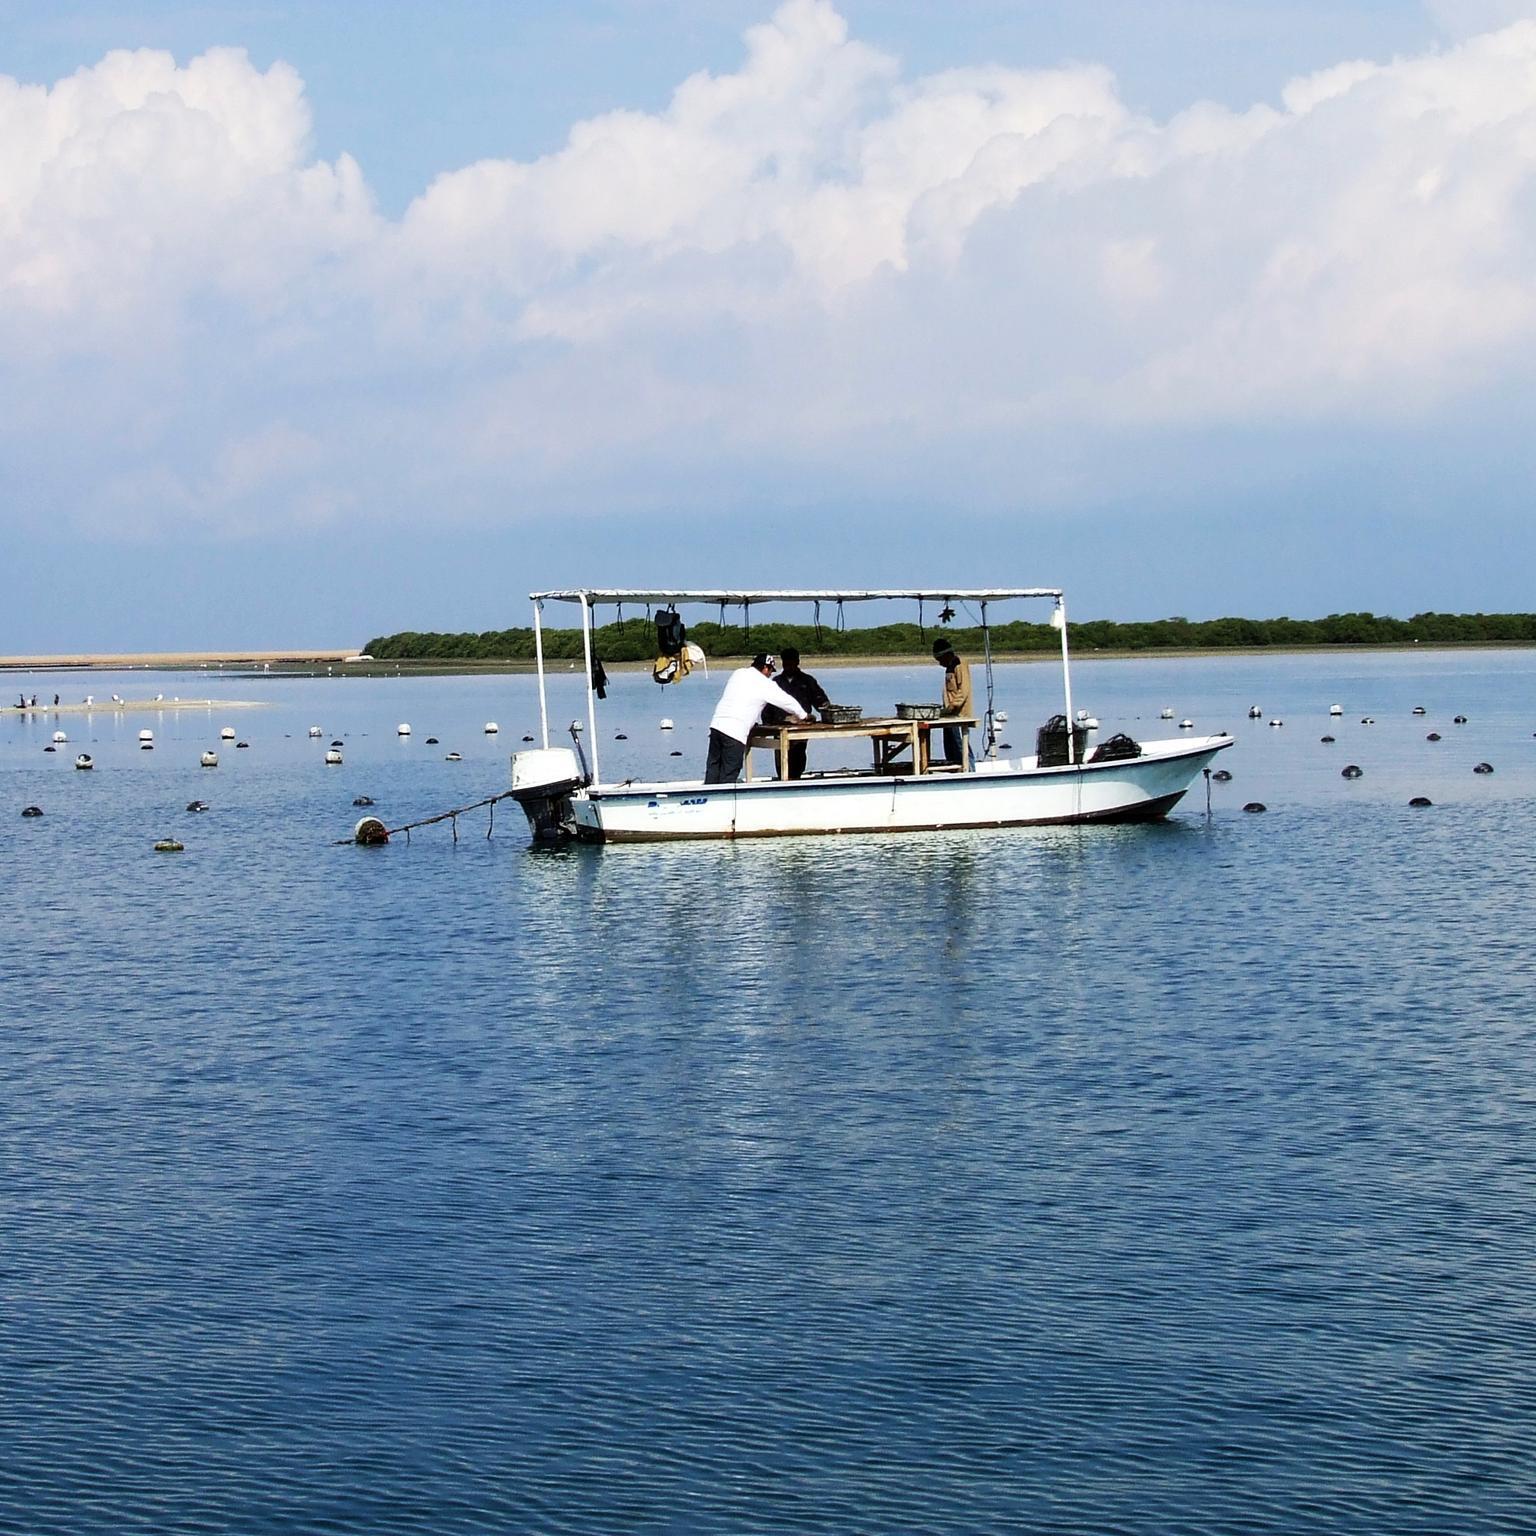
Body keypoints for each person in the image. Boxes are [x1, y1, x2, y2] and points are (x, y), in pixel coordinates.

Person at [704, 654, 807, 783]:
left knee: (713, 768)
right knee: (729, 771)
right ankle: (725, 799)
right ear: (765, 668)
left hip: (717, 727)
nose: (770, 675)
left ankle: (707, 798)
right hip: (735, 733)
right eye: (770, 671)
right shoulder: (765, 684)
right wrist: (804, 715)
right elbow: (787, 702)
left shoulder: (738, 673)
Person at [764, 646, 829, 779]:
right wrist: (769, 725)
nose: (788, 666)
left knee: (798, 758)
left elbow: (821, 701)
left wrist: (826, 707)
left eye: (791, 663)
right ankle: (784, 782)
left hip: (801, 728)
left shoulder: (808, 681)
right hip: (780, 728)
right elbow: (766, 709)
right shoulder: (776, 682)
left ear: (797, 662)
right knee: (781, 760)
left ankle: (796, 779)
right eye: (786, 663)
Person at [933, 638, 973, 767]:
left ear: (947, 655)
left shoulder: (959, 664)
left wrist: (952, 706)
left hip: (958, 715)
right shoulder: (950, 667)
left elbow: (964, 690)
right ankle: (955, 770)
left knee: (960, 746)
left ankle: (969, 770)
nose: (940, 663)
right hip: (949, 715)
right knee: (950, 748)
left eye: (940, 659)